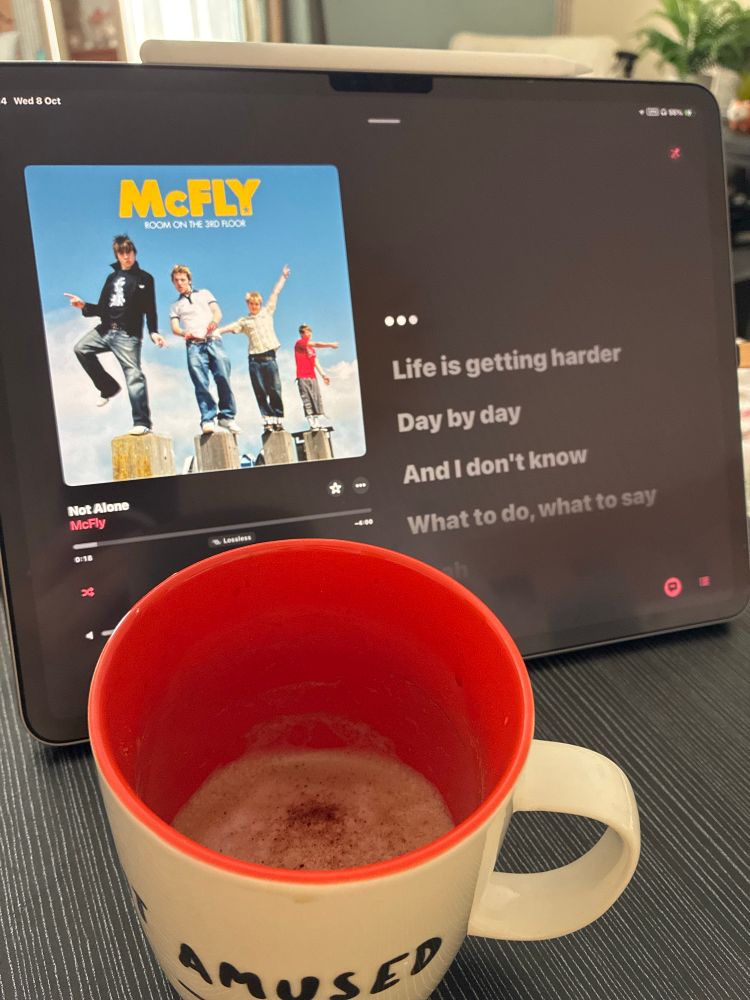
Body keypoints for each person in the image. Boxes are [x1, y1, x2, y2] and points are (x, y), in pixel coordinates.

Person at [66, 235, 165, 436]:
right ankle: (108, 388)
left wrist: (153, 331)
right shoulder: (112, 278)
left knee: (134, 375)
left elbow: (150, 308)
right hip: (105, 330)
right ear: (117, 255)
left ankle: (142, 422)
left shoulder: (144, 278)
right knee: (81, 349)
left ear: (135, 253)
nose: (126, 257)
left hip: (127, 334)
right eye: (122, 253)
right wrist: (83, 306)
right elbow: (102, 308)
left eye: (129, 252)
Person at [216, 265, 290, 431]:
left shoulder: (267, 312)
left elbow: (275, 293)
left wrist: (283, 277)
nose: (254, 306)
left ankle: (278, 418)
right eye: (251, 304)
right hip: (254, 360)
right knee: (260, 390)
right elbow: (231, 327)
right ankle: (267, 420)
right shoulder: (245, 321)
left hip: (270, 358)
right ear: (248, 304)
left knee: (274, 388)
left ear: (260, 304)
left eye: (256, 304)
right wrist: (217, 331)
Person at [169, 265, 240, 435]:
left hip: (213, 340)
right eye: (176, 281)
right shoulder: (175, 306)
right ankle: (207, 418)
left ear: (189, 280)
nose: (180, 283)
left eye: (182, 280)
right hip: (194, 346)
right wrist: (184, 333)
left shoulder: (204, 293)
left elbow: (217, 312)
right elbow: (175, 327)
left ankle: (227, 416)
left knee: (223, 377)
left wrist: (214, 322)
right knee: (201, 383)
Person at [293, 324, 338, 429]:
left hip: (312, 376)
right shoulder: (299, 343)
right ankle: (311, 423)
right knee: (307, 399)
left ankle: (317, 422)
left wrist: (323, 375)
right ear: (301, 334)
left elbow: (316, 362)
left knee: (316, 398)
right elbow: (316, 344)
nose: (309, 334)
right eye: (306, 332)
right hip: (302, 376)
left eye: (310, 331)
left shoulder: (312, 350)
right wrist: (330, 344)